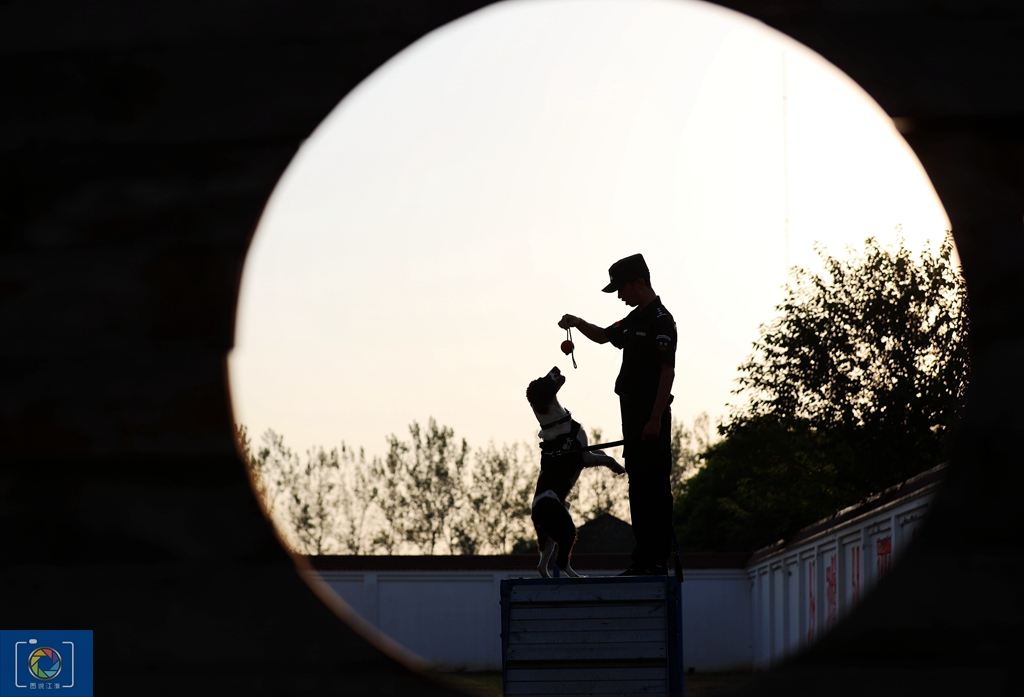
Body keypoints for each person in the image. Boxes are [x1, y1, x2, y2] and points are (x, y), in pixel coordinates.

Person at [558, 253, 676, 575]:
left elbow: (667, 372)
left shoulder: (660, 320)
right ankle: (643, 560)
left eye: (621, 289)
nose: (620, 296)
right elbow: (602, 336)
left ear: (639, 283)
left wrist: (655, 419)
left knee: (654, 488)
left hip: (651, 417)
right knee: (638, 486)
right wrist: (577, 322)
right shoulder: (635, 319)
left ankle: (656, 560)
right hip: (634, 417)